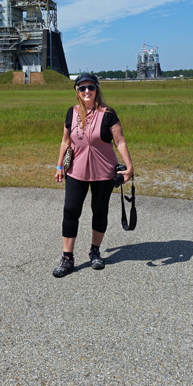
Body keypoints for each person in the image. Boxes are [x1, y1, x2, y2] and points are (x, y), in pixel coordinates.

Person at [53, 73, 133, 278]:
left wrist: (129, 168)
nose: (86, 91)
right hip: (76, 171)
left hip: (103, 171)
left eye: (90, 87)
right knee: (70, 211)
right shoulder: (72, 113)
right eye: (82, 88)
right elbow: (65, 141)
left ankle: (95, 251)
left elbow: (120, 141)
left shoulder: (108, 114)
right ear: (77, 91)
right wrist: (60, 166)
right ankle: (67, 257)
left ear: (97, 89)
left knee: (99, 211)